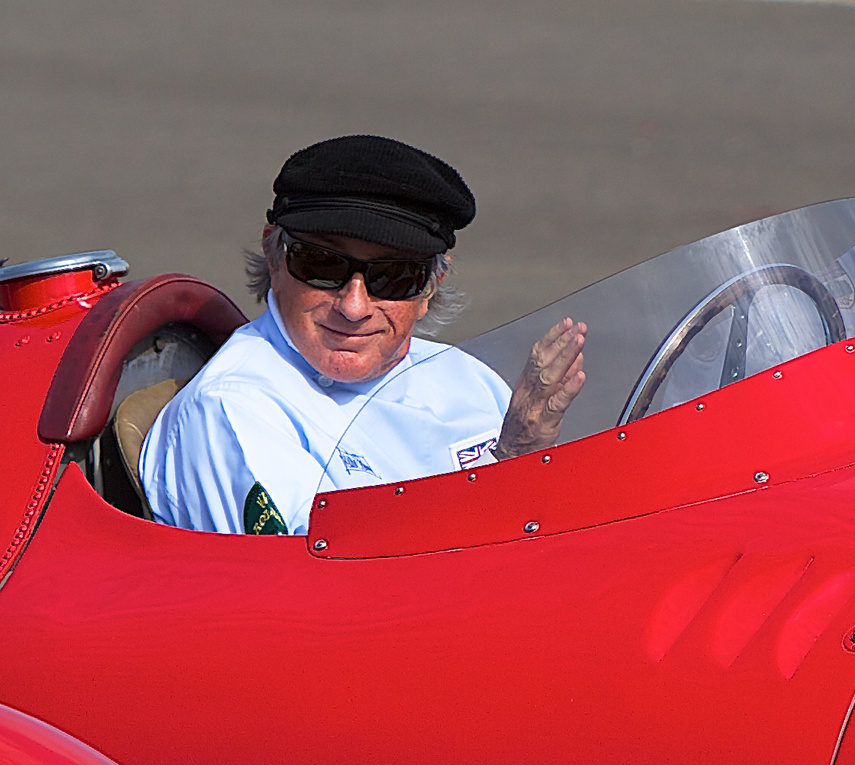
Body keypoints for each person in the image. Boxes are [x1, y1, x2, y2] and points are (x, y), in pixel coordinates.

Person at [139, 135, 586, 535]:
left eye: (393, 277)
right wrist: (510, 464)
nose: (353, 307)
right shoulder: (233, 410)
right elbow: (331, 592)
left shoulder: (466, 379)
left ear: (432, 285)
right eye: (323, 265)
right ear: (273, 255)